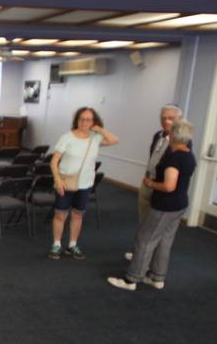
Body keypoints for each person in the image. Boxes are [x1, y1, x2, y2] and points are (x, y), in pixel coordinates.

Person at [108, 119, 196, 291]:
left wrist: (150, 183)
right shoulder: (189, 155)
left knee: (145, 239)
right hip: (180, 204)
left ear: (174, 135)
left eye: (170, 132)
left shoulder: (174, 158)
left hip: (165, 205)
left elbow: (169, 186)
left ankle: (131, 280)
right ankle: (157, 278)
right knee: (165, 240)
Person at [48, 107, 119, 260]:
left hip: (85, 184)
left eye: (88, 119)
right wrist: (57, 180)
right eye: (81, 118)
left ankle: (72, 244)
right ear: (76, 120)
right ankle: (56, 244)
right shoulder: (67, 137)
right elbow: (54, 162)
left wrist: (99, 129)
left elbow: (114, 140)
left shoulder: (96, 137)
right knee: (60, 214)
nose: (84, 122)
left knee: (78, 215)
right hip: (66, 182)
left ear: (93, 122)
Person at [125, 104, 186, 261]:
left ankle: (147, 260)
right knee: (143, 222)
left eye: (170, 118)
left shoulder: (181, 142)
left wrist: (157, 184)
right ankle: (141, 254)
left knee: (156, 229)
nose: (166, 121)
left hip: (162, 189)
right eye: (163, 117)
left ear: (180, 119)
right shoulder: (158, 135)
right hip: (147, 183)